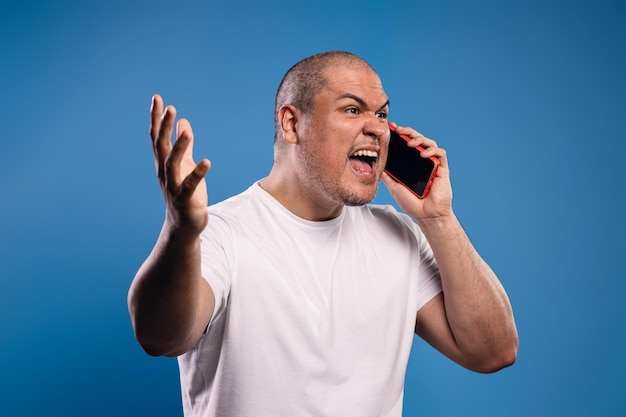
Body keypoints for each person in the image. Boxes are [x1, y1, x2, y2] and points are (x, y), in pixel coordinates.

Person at [128, 51, 518, 417]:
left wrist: (439, 219)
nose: (377, 129)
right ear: (291, 123)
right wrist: (181, 233)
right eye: (353, 109)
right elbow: (160, 337)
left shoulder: (400, 236)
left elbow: (493, 352)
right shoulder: (221, 233)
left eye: (382, 114)